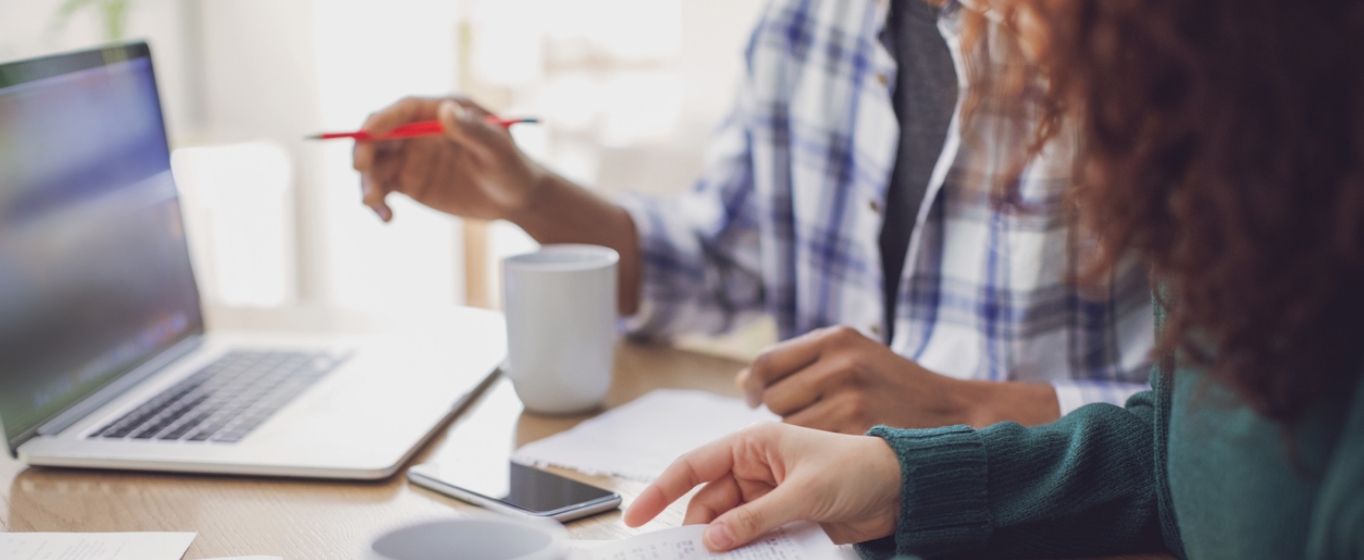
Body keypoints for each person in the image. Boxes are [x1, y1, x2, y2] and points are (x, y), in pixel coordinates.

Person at [621, 0, 1364, 558]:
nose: (1010, 48)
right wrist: (900, 478)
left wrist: (958, 407)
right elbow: (1168, 456)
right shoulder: (1234, 196)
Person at [352, 0, 1154, 434]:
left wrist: (963, 408)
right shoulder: (804, 24)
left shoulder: (1158, 45)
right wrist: (529, 197)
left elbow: (1231, 422)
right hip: (821, 522)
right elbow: (721, 258)